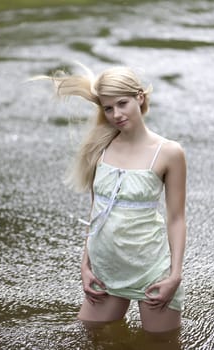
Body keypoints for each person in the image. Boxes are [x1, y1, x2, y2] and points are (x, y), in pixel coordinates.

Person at [53, 63, 186, 333]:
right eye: (108, 108)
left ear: (140, 97)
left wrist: (175, 276)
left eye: (122, 103)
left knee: (160, 344)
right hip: (105, 269)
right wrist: (85, 266)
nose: (116, 114)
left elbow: (176, 218)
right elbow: (96, 213)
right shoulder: (99, 148)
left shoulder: (169, 152)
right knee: (90, 336)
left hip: (150, 269)